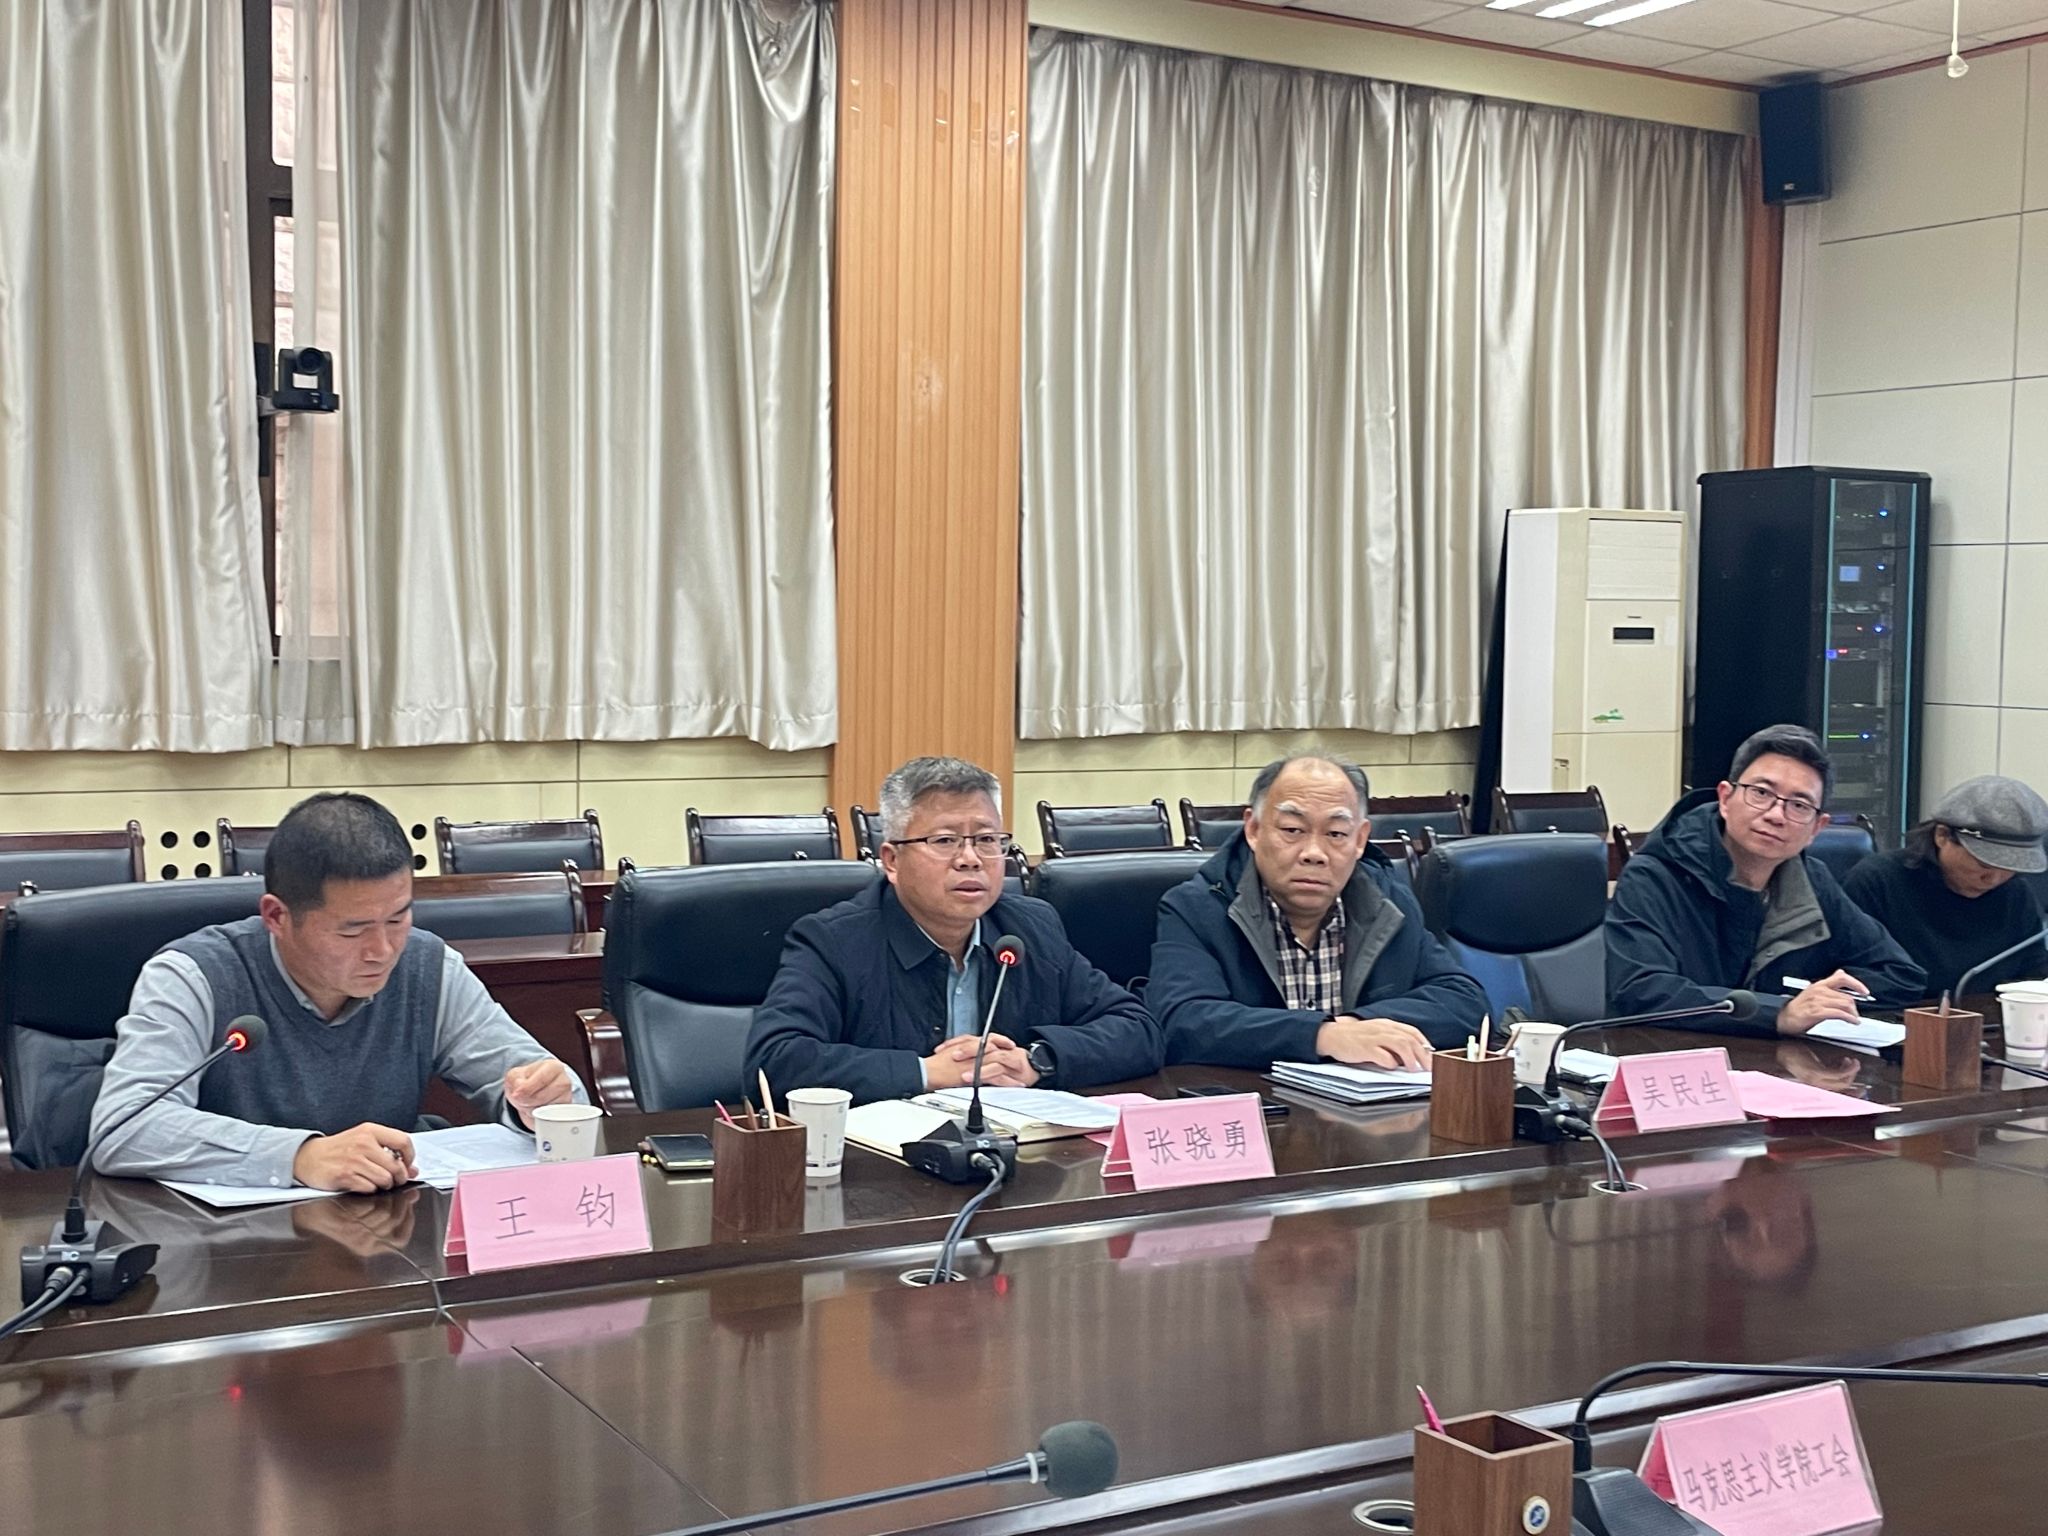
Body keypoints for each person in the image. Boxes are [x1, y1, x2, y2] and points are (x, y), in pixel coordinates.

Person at [89, 792, 587, 1191]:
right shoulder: (193, 975)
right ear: (277, 916)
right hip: (231, 1249)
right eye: (353, 930)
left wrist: (541, 1101)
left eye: (398, 918)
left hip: (387, 1240)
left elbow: (556, 1092)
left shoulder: (428, 966)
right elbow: (124, 1127)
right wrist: (300, 1156)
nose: (382, 950)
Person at [745, 755, 1162, 1104]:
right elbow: (774, 1061)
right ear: (892, 861)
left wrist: (1037, 1060)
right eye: (945, 841)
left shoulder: (1029, 928)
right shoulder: (834, 941)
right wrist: (925, 1072)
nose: (970, 859)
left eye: (987, 840)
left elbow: (1138, 1029)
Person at [1146, 755, 1487, 1070]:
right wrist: (1321, 1036)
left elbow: (1464, 1001)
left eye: (1336, 833)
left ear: (1360, 840)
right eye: (1292, 830)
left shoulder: (1387, 901)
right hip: (1257, 1103)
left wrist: (1354, 1027)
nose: (1314, 853)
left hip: (1368, 1106)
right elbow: (1181, 1021)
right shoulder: (1198, 907)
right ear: (1254, 830)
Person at [1604, 723, 1924, 1034]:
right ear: (1725, 798)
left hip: (1775, 1060)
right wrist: (1778, 1012)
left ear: (1817, 828)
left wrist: (1816, 1000)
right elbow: (1641, 989)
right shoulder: (1654, 875)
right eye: (1761, 793)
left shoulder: (1812, 881)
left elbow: (1900, 974)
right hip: (1668, 1055)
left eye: (1799, 805)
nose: (1775, 815)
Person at [1842, 775, 2048, 998]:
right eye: (1984, 864)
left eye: (2009, 868)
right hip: (1894, 1015)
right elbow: (1848, 976)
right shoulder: (1878, 882)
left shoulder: (2016, 894)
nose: (1994, 879)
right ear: (1942, 836)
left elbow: (2033, 975)